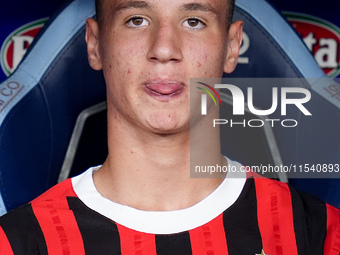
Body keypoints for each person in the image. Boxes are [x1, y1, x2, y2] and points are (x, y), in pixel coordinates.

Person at [0, 0, 339, 254]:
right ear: (95, 43)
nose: (164, 49)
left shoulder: (320, 235)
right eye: (136, 20)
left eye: (194, 21)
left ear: (231, 47)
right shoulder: (17, 243)